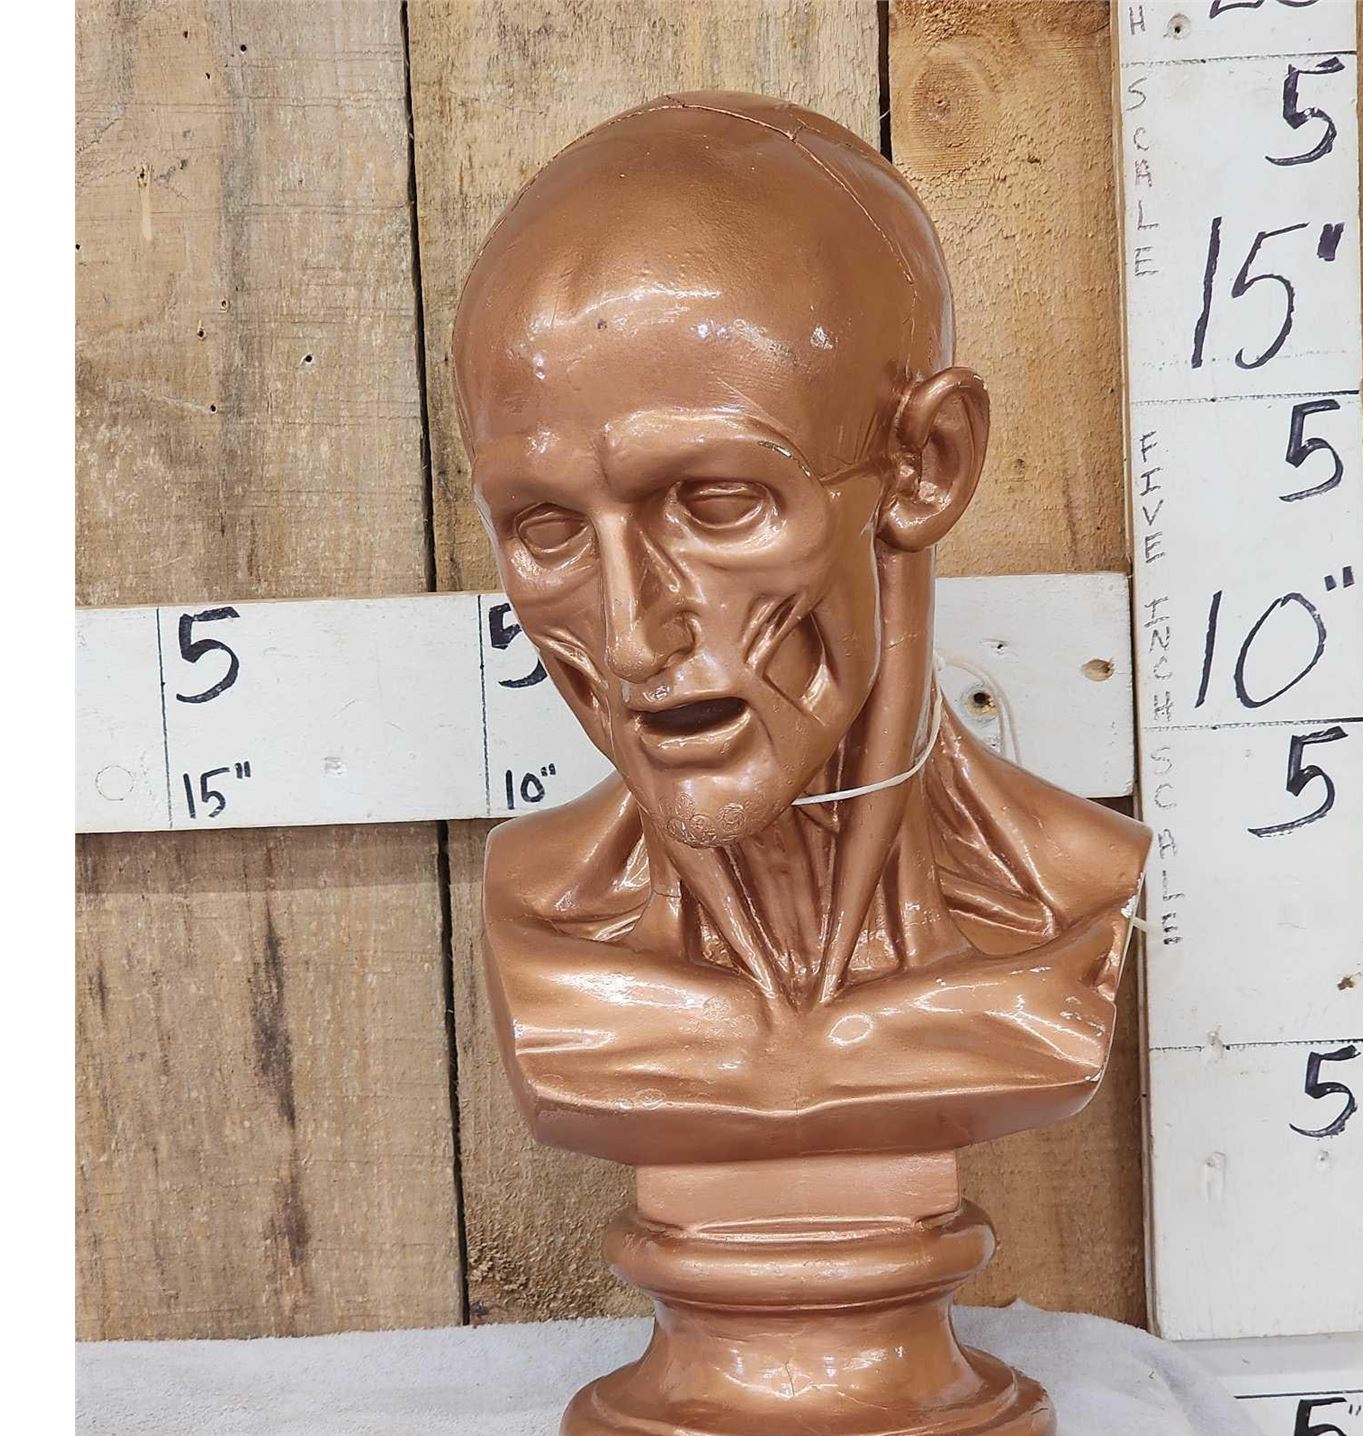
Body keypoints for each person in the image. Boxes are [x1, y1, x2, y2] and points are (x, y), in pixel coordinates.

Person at [452, 93, 1150, 1166]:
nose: (632, 638)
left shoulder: (1076, 903)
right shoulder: (544, 919)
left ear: (928, 467)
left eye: (717, 504)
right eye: (547, 530)